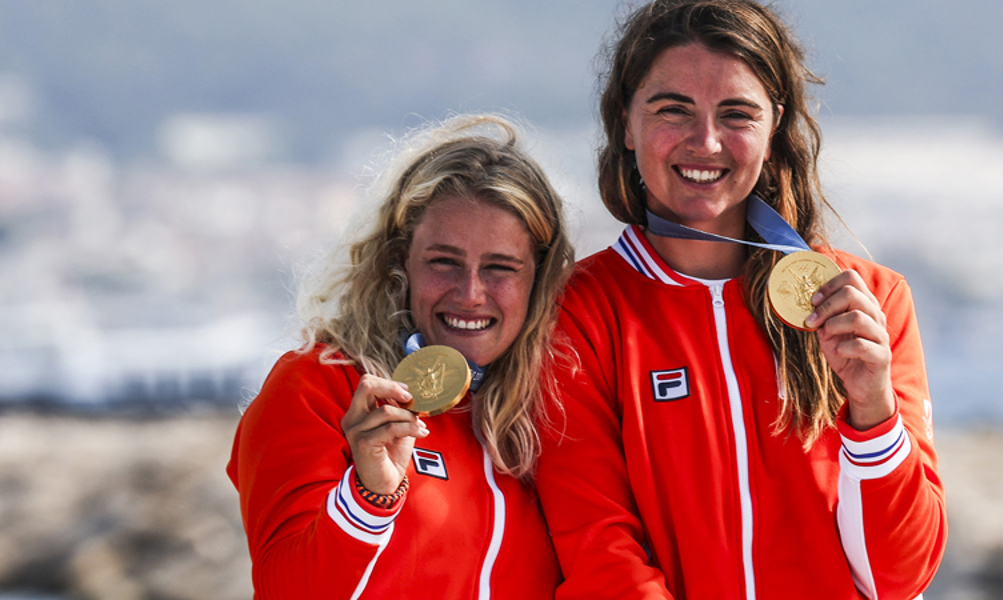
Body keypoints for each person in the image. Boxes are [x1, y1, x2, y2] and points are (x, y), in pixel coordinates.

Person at [534, 1, 947, 599]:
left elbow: (899, 577)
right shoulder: (576, 313)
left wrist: (873, 409)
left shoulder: (870, 301)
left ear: (773, 127)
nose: (706, 142)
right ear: (626, 123)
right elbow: (599, 549)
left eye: (737, 114)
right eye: (673, 109)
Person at [228, 114, 573, 599]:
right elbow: (284, 589)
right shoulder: (317, 387)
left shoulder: (552, 411)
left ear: (537, 280)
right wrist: (368, 499)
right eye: (443, 262)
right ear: (399, 260)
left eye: (500, 268)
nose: (471, 294)